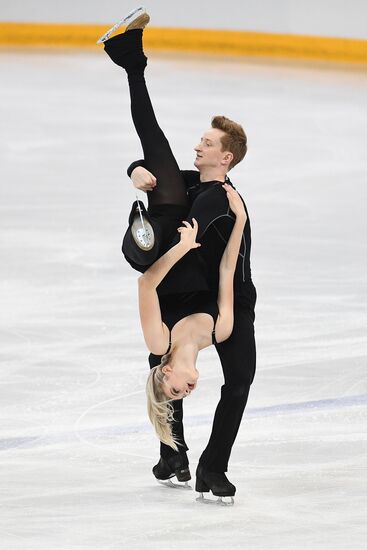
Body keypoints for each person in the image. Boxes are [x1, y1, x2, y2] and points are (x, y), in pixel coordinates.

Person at [100, 10, 250, 502]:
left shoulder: (222, 197)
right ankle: (173, 453)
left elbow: (226, 258)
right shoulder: (196, 184)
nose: (199, 147)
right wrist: (135, 170)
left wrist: (220, 229)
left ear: (224, 157)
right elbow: (170, 171)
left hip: (196, 280)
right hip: (190, 279)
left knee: (238, 379)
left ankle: (210, 465)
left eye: (206, 144)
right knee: (154, 145)